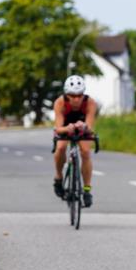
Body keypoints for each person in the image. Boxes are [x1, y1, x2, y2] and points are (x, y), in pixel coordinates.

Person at [52, 75, 98, 207]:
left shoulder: (90, 103)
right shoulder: (60, 102)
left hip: (82, 126)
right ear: (67, 95)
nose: (76, 99)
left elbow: (89, 126)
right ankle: (59, 177)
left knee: (85, 151)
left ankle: (87, 190)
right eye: (72, 96)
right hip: (66, 126)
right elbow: (58, 129)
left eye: (79, 95)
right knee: (60, 148)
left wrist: (83, 126)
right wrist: (68, 128)